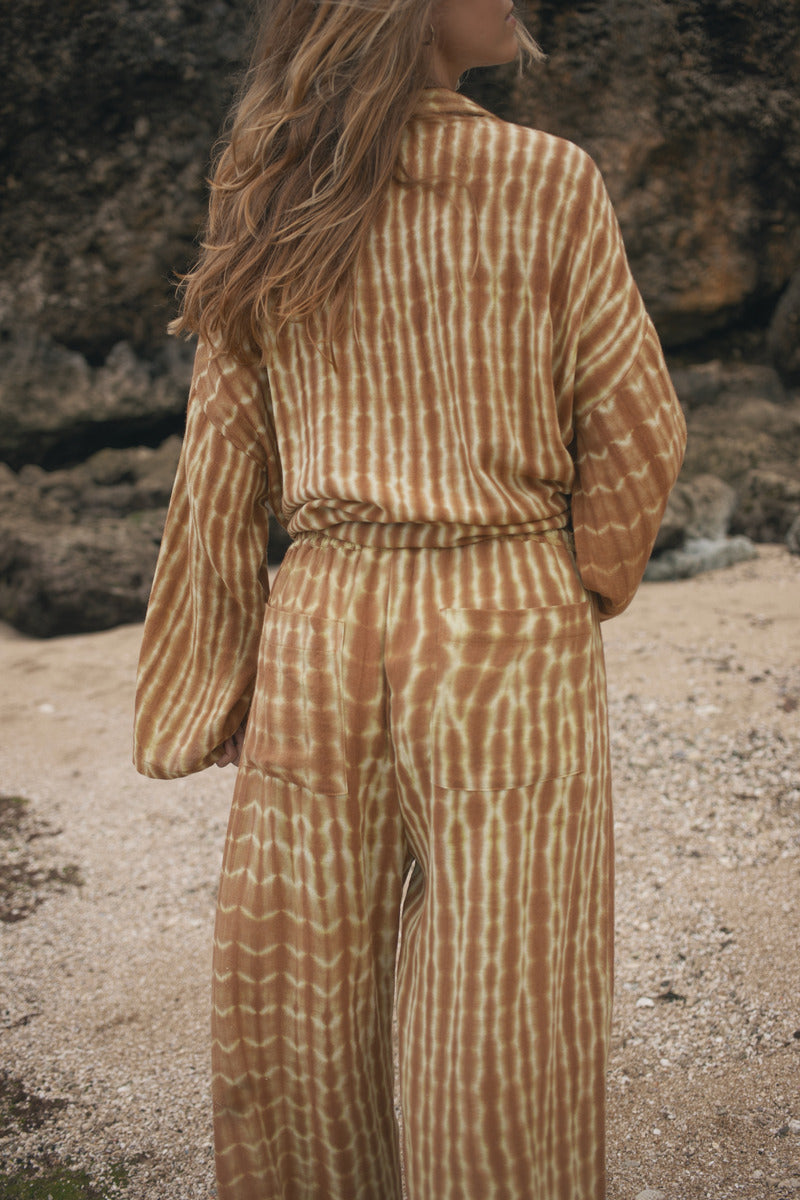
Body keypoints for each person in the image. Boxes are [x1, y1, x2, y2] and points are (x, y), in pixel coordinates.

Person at [134, 0, 686, 1196]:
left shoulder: (264, 184)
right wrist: (581, 577)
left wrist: (210, 673)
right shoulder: (546, 179)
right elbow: (638, 424)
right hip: (506, 619)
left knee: (299, 998)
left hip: (321, 623)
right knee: (503, 1005)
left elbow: (221, 457)